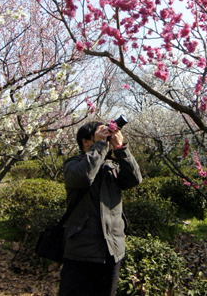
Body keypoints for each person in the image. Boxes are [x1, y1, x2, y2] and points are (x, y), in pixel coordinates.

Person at [59, 121, 142, 296]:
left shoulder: (113, 167)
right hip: (81, 252)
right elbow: (84, 177)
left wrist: (120, 148)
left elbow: (135, 179)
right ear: (85, 142)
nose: (105, 142)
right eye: (99, 137)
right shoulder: (73, 165)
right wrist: (100, 146)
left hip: (111, 251)